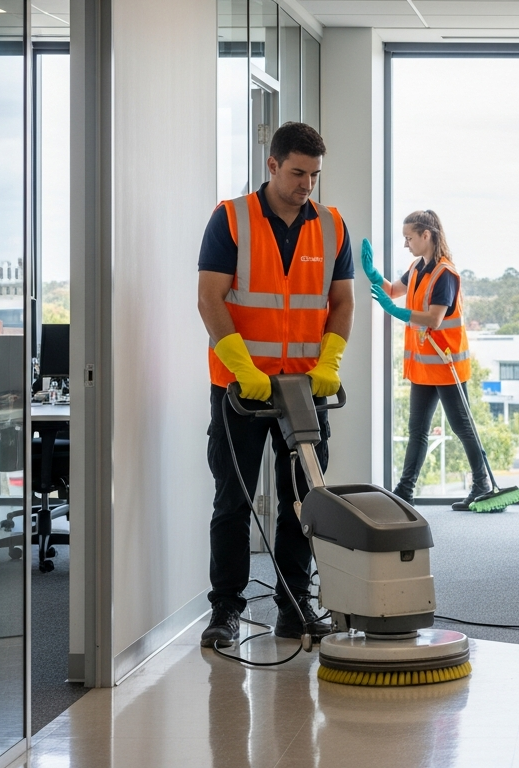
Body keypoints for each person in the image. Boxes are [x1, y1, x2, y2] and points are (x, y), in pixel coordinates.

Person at [197, 122, 355, 648]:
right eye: (296, 173)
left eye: (313, 175)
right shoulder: (232, 219)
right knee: (233, 502)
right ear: (271, 165)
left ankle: (295, 606)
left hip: (305, 392)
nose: (306, 184)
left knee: (304, 502)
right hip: (241, 391)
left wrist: (330, 361)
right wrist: (243, 367)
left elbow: (342, 303)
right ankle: (225, 611)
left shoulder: (332, 226)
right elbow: (210, 299)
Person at [363, 211, 492, 509]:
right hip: (423, 365)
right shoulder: (417, 267)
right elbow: (394, 291)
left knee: (462, 427)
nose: (406, 244)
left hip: (446, 365)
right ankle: (404, 492)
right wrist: (373, 274)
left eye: (409, 238)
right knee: (417, 430)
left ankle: (482, 484)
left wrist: (397, 313)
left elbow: (434, 318)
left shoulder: (444, 274)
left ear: (427, 235)